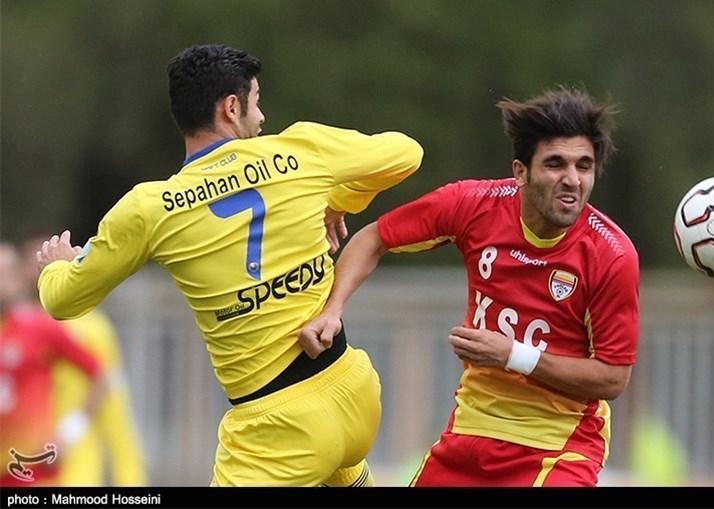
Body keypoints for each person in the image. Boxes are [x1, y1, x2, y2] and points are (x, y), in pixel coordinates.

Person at [35, 43, 424, 486]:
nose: (261, 118)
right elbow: (405, 153)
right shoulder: (301, 152)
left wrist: (56, 265)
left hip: (280, 429)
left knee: (307, 449)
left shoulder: (151, 207)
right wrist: (338, 202)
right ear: (231, 107)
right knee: (338, 464)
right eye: (257, 103)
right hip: (354, 391)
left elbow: (63, 302)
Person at [299, 86, 640, 487]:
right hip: (471, 433)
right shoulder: (473, 204)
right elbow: (374, 237)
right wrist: (332, 309)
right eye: (555, 164)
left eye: (584, 166)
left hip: (559, 449)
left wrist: (514, 354)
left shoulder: (612, 253)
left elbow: (613, 379)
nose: (572, 180)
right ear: (520, 172)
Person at [19, 236, 148, 486]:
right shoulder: (13, 329)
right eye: (35, 260)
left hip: (74, 472)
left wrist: (131, 481)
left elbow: (114, 408)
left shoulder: (91, 328)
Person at [0, 242, 108, 487]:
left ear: (18, 280)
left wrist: (69, 432)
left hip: (29, 470)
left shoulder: (39, 327)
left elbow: (101, 376)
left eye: (5, 273)